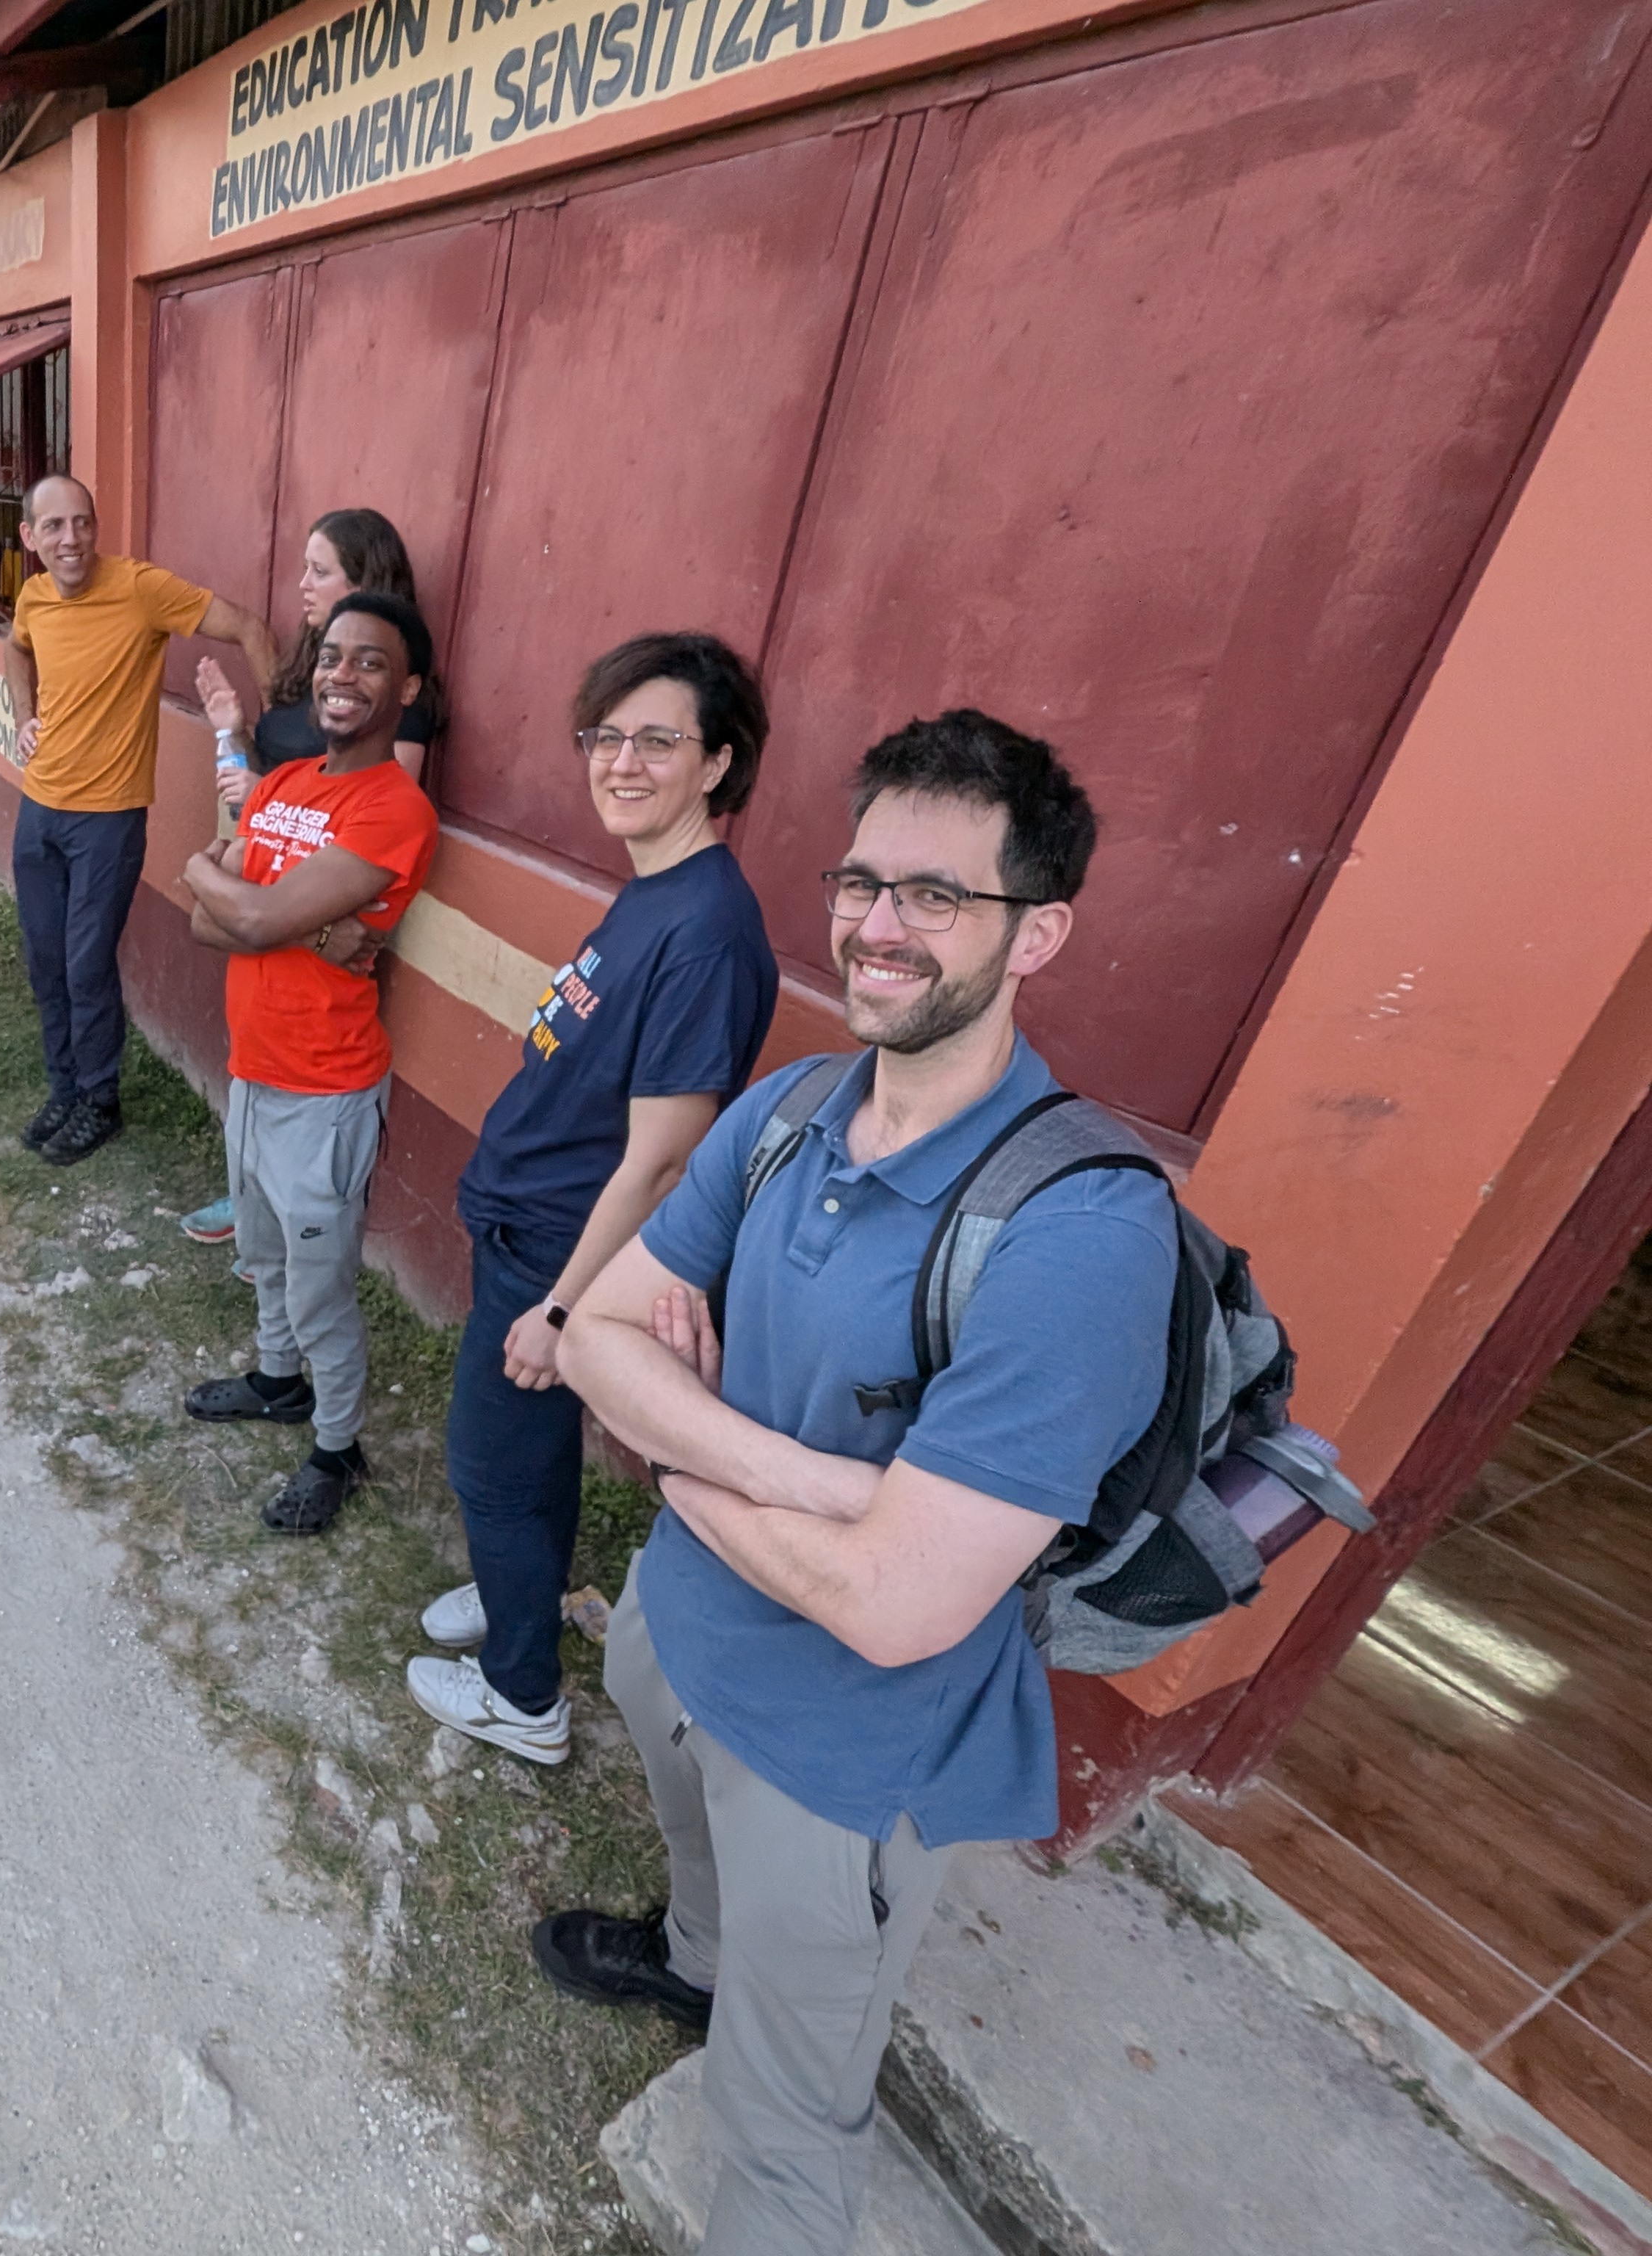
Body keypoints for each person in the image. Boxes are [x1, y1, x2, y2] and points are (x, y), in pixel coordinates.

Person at [539, 714, 1174, 2256]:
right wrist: (784, 1473)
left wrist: (674, 1444)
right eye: (863, 881)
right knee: (690, 1851)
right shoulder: (787, 1113)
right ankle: (694, 1956)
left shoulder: (1080, 1231)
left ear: (1043, 933)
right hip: (674, 1628)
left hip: (844, 1756)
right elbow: (590, 1336)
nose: (879, 927)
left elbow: (895, 1607)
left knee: (781, 2122)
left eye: (938, 896)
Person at [408, 634, 778, 1768]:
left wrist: (566, 1312)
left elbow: (664, 1160)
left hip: (565, 1254)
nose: (623, 762)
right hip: (531, 1225)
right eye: (607, 737)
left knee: (488, 1462)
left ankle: (523, 1696)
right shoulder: (656, 892)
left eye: (657, 740)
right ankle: (522, 1591)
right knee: (527, 1463)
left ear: (717, 763)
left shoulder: (709, 932)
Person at [177, 593, 441, 1535]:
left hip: (327, 1091)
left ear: (406, 689)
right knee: (263, 1254)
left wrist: (228, 884)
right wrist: (281, 915)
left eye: (371, 663)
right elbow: (213, 922)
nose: (343, 675)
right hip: (254, 1069)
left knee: (321, 1286)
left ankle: (337, 1444)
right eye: (334, 656)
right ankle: (277, 1382)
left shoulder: (395, 809)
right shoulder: (286, 781)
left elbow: (236, 908)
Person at [183, 506, 446, 1243]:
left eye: (319, 569)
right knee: (269, 1256)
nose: (299, 584)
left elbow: (362, 834)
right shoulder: (309, 681)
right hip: (261, 925)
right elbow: (224, 894)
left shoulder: (390, 723)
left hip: (322, 1037)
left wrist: (217, 877)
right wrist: (231, 735)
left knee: (311, 1269)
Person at [1, 474, 278, 1165]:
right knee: (45, 959)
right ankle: (64, 1090)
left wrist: (284, 733)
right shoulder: (33, 594)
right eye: (56, 527)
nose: (73, 540)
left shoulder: (141, 588)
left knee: (86, 963)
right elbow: (16, 647)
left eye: (84, 523)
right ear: (30, 538)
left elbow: (247, 625)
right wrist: (21, 714)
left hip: (109, 817)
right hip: (40, 806)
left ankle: (99, 1101)